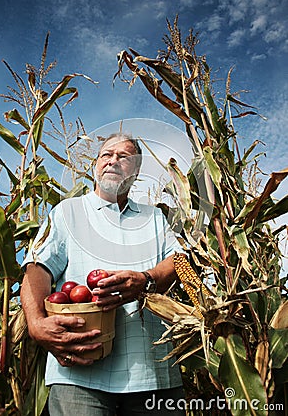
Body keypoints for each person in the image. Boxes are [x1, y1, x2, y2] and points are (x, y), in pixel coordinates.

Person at [21, 132, 186, 416]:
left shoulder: (155, 218)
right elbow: (37, 268)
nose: (113, 161)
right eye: (106, 155)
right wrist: (35, 324)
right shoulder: (67, 212)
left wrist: (147, 280)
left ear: (136, 171)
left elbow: (181, 260)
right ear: (96, 165)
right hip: (79, 372)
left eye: (123, 157)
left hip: (152, 373)